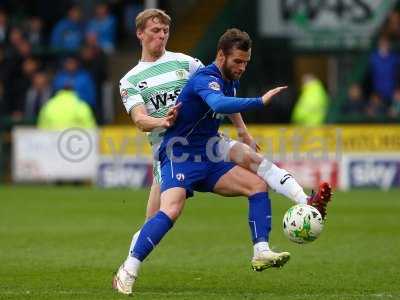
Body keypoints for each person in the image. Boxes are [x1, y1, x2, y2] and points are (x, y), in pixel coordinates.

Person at [114, 23, 332, 295]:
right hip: (179, 151)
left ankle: (268, 242)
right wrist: (259, 101)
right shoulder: (205, 78)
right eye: (237, 61)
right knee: (170, 210)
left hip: (209, 148)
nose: (241, 67)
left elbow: (228, 101)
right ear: (221, 56)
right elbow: (218, 104)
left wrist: (243, 131)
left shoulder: (229, 78)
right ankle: (128, 269)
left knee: (256, 180)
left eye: (246, 62)